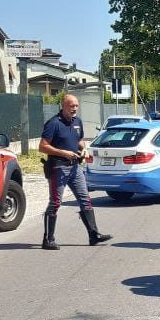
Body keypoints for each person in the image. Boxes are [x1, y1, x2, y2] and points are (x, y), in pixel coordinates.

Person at [39, 94, 113, 249]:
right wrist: (63, 153)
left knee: (85, 199)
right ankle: (48, 239)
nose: (74, 109)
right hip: (58, 167)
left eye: (76, 106)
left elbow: (79, 140)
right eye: (71, 106)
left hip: (75, 167)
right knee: (55, 202)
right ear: (63, 106)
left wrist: (84, 149)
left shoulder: (77, 122)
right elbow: (42, 146)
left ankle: (93, 235)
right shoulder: (53, 123)